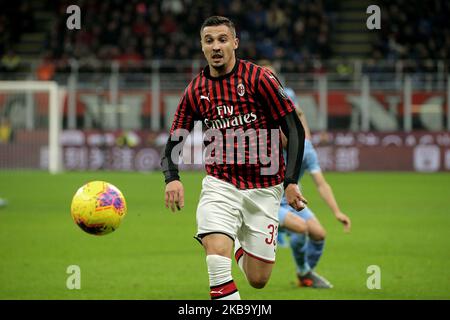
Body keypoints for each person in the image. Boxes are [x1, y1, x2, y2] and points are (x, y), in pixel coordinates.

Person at [161, 16, 307, 300]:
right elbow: (175, 139)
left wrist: (290, 181)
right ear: (202, 47)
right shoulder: (195, 90)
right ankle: (222, 238)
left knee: (258, 279)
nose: (216, 46)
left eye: (222, 39)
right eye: (209, 41)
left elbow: (294, 128)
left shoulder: (259, 79)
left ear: (235, 43)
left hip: (265, 188)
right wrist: (172, 179)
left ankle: (237, 240)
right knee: (217, 258)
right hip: (221, 184)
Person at [259, 61, 351, 288]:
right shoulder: (261, 144)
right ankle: (300, 269)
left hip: (289, 202)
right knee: (301, 229)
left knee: (318, 234)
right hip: (263, 203)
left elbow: (321, 184)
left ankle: (304, 273)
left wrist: (337, 211)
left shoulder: (305, 149)